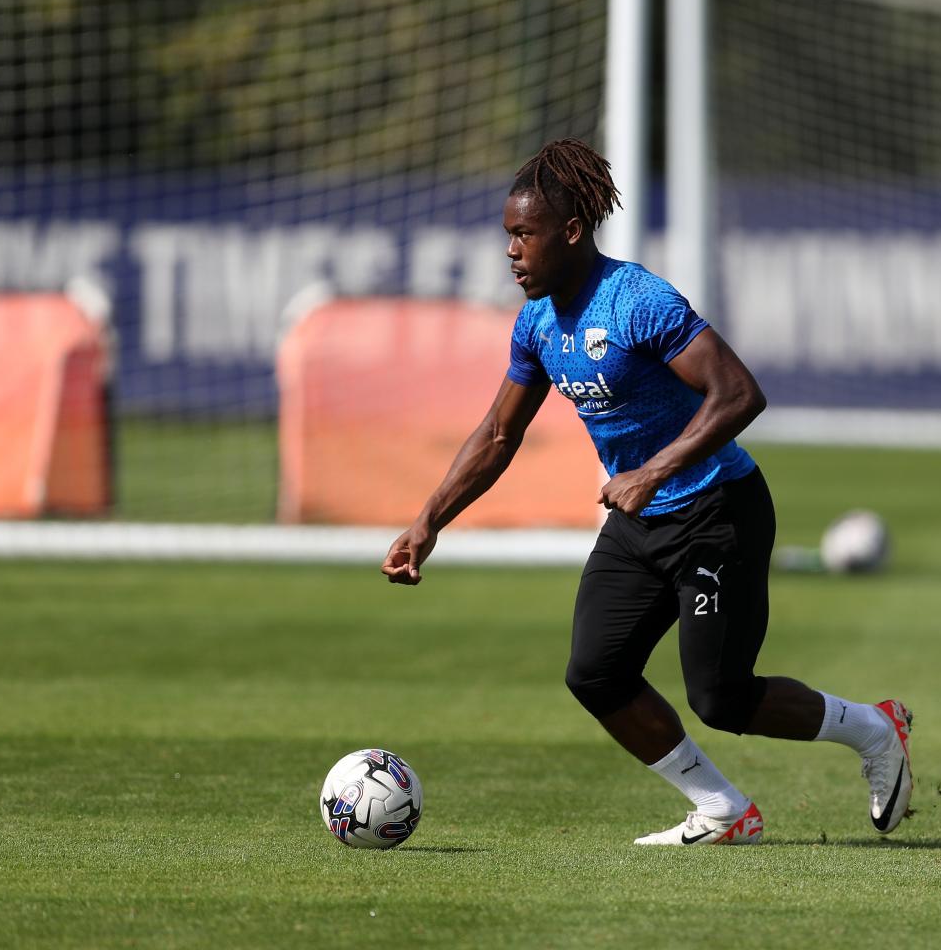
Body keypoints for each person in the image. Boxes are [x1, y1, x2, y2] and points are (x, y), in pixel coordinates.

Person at [382, 138, 913, 845]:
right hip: (640, 522)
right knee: (595, 673)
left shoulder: (639, 301)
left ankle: (876, 730)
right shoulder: (538, 321)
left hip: (718, 510)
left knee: (721, 698)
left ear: (571, 232)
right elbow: (498, 435)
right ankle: (723, 809)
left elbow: (739, 393)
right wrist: (428, 521)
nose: (511, 252)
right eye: (508, 235)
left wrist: (652, 470)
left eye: (523, 235)